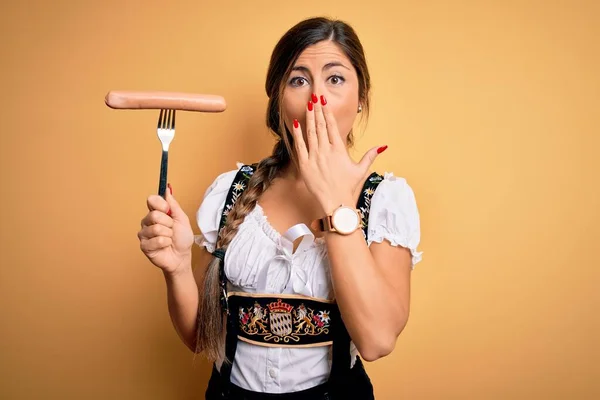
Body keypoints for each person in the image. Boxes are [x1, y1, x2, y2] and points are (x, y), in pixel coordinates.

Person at [137, 16, 423, 400]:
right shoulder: (231, 191)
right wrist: (175, 269)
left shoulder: (385, 199)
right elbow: (201, 339)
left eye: (335, 79)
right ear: (278, 100)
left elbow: (376, 341)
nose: (315, 98)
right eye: (298, 80)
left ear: (360, 100)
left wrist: (335, 203)